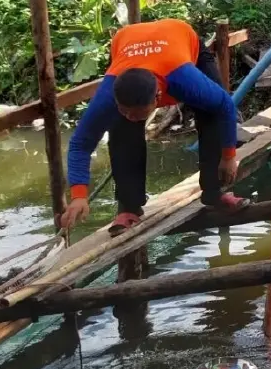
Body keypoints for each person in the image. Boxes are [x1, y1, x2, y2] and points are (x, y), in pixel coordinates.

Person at [59, 18, 242, 235]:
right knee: (121, 127)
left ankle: (214, 193)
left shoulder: (184, 79)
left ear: (158, 98)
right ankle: (129, 207)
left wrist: (229, 156)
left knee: (211, 112)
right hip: (128, 43)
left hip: (180, 39)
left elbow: (225, 107)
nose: (132, 117)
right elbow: (81, 143)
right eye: (124, 109)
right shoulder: (109, 94)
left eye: (138, 114)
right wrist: (79, 195)